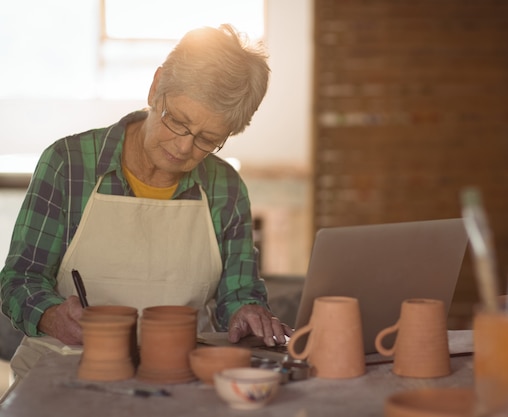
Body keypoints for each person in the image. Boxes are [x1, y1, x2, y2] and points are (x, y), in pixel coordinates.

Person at [0, 24, 292, 383]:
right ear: (156, 88)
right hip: (61, 375)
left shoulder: (225, 188)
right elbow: (19, 279)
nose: (184, 148)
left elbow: (238, 292)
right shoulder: (68, 164)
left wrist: (246, 312)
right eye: (178, 122)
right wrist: (51, 314)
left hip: (175, 379)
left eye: (207, 139)